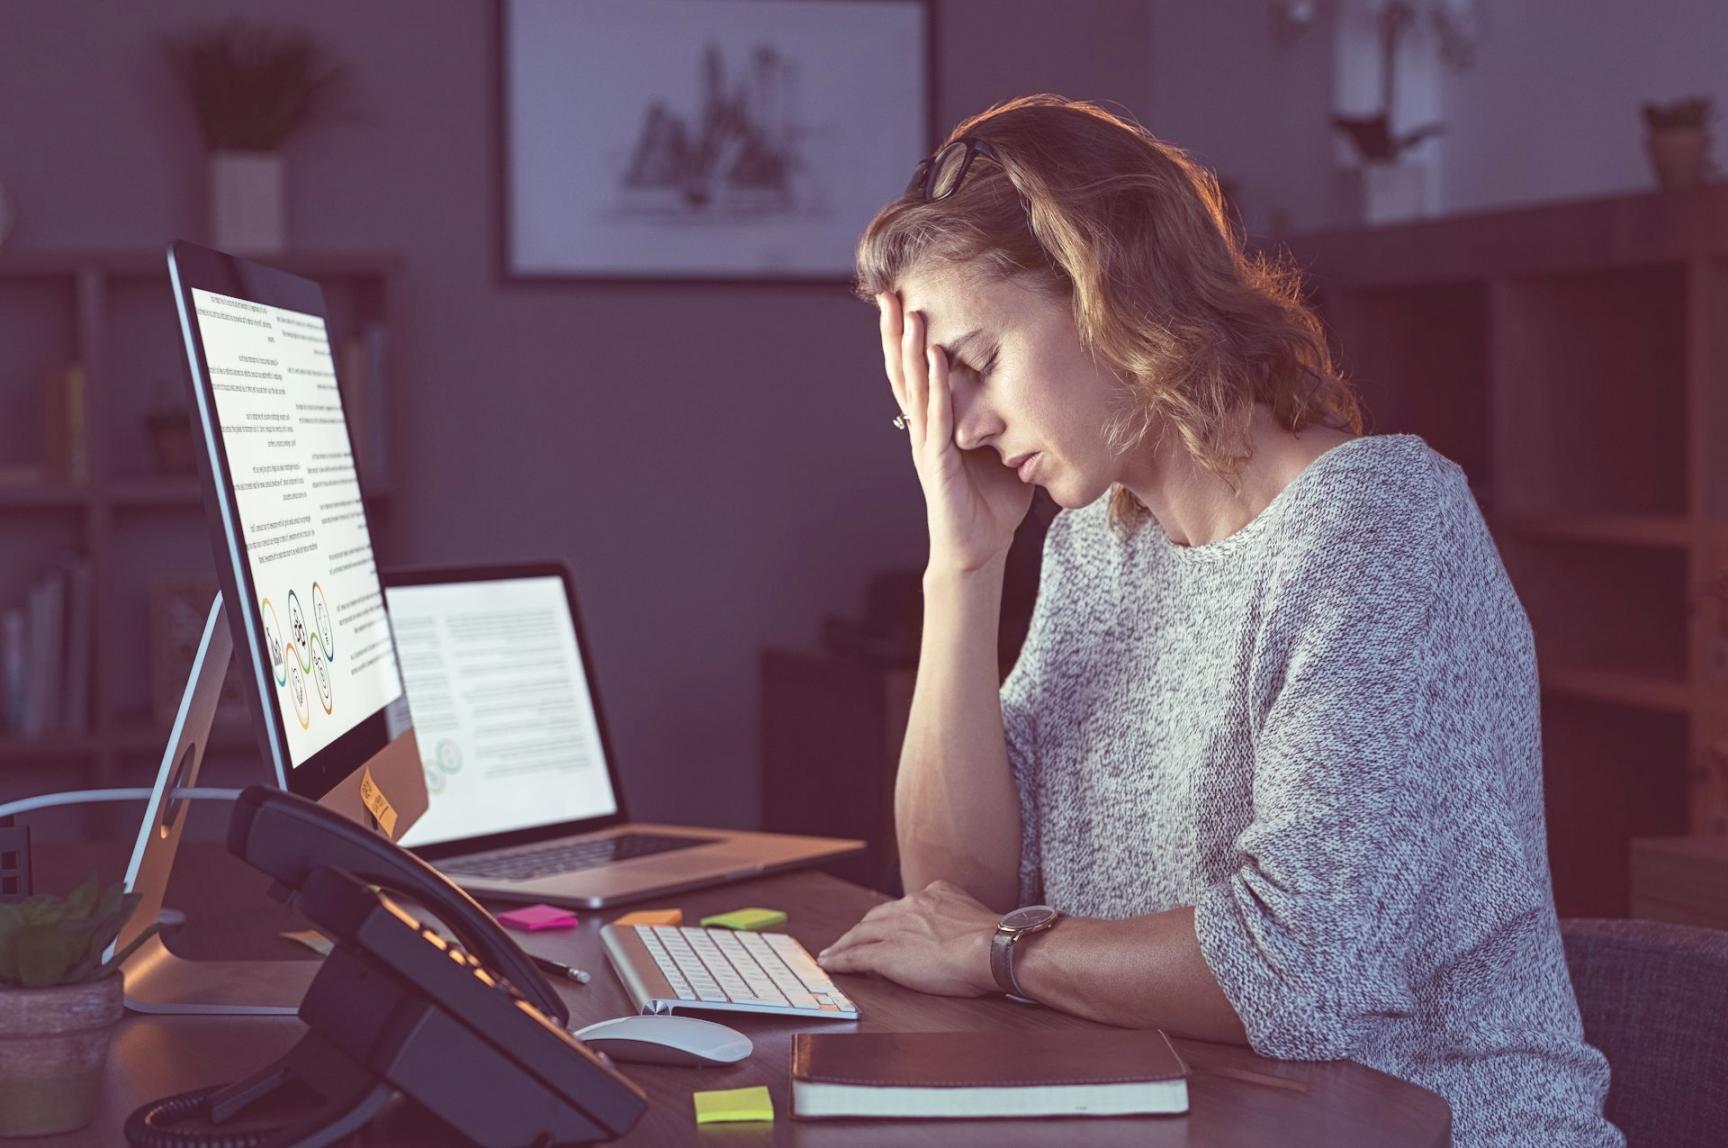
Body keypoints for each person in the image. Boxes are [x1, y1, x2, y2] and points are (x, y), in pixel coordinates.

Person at [814, 94, 1622, 1147]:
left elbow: (1295, 968)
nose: (959, 424)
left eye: (974, 362)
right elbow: (955, 892)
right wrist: (962, 563)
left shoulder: (1379, 530)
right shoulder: (1100, 546)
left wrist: (999, 950)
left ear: (1108, 287)